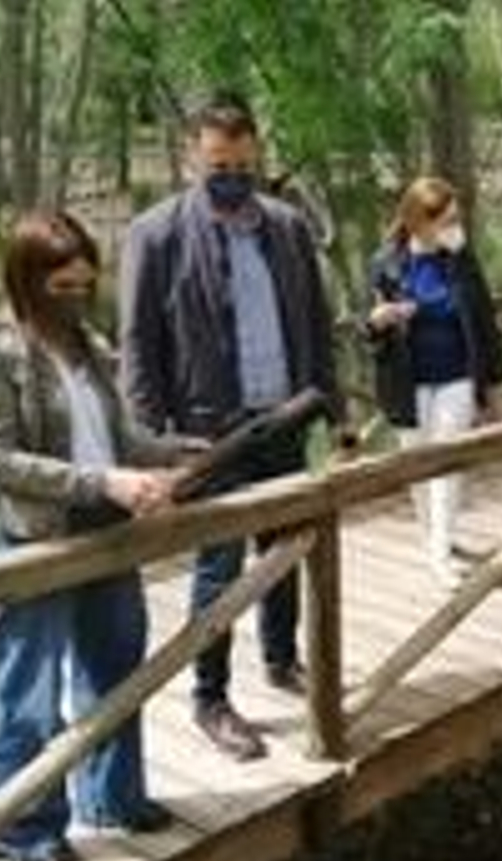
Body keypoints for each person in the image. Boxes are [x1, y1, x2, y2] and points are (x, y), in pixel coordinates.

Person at [0, 211, 198, 861]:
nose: (75, 298)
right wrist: (104, 482)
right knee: (27, 691)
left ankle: (112, 798)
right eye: (61, 286)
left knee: (115, 672)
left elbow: (119, 437)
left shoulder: (87, 346)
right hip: (35, 539)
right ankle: (19, 826)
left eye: (85, 285)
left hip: (105, 528)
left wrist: (177, 451)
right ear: (26, 280)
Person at [119, 93, 347, 763]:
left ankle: (281, 659)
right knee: (218, 570)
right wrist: (150, 445)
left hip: (284, 419)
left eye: (244, 165)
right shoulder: (156, 235)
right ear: (192, 157)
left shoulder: (287, 227)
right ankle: (210, 696)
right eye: (220, 165)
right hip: (207, 434)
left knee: (287, 552)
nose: (233, 176)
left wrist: (332, 408)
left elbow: (315, 324)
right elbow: (138, 346)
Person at [362, 176, 502, 587]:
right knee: (416, 467)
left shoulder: (460, 258)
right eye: (445, 221)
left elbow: (484, 319)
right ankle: (433, 539)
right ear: (417, 221)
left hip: (456, 375)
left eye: (455, 218)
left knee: (446, 464)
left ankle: (440, 555)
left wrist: (495, 384)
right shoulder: (385, 262)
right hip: (405, 380)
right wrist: (378, 321)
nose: (453, 227)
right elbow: (365, 326)